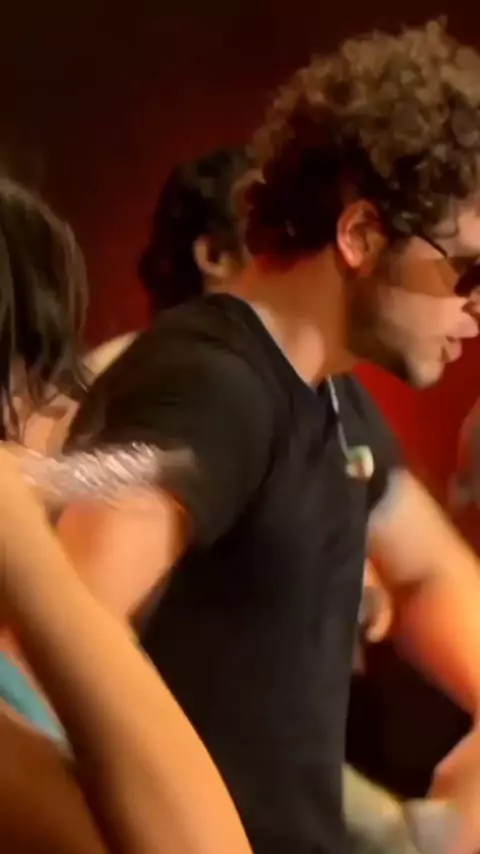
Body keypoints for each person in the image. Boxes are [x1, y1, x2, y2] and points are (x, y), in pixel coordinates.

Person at [56, 19, 480, 854]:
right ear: (360, 236)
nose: (477, 308)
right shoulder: (211, 388)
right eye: (468, 271)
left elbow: (429, 575)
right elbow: (44, 653)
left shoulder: (329, 394)